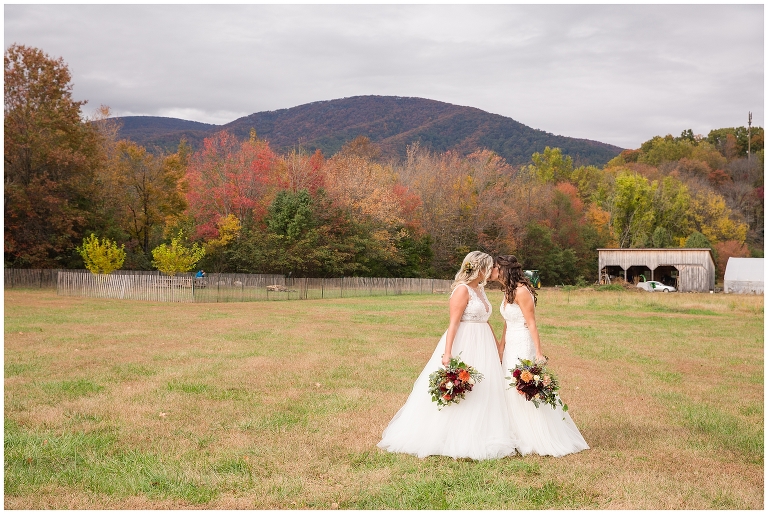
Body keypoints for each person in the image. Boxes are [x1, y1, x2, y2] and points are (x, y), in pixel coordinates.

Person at [377, 251, 519, 460]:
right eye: (488, 267)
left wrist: (498, 345)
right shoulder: (462, 290)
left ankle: (482, 430)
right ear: (479, 269)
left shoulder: (479, 289)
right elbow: (453, 323)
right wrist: (447, 353)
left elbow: (485, 320)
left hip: (484, 343)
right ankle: (448, 433)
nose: (491, 272)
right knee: (464, 384)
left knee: (484, 387)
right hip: (465, 341)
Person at [495, 255, 589, 457]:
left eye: (496, 268)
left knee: (520, 385)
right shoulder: (508, 291)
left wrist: (538, 352)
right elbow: (506, 321)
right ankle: (513, 433)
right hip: (511, 342)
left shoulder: (522, 291)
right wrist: (501, 346)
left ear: (505, 270)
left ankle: (533, 435)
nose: (494, 271)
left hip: (522, 342)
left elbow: (532, 324)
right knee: (507, 386)